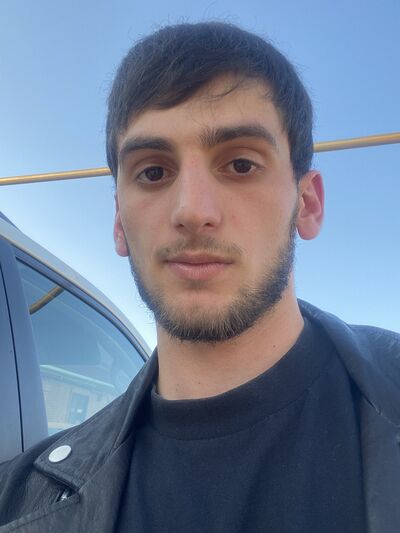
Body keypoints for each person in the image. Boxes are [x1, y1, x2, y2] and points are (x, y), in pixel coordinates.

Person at [0, 21, 399, 533]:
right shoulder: (19, 503)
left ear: (308, 203)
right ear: (119, 222)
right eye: (153, 172)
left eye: (240, 164)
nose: (192, 211)